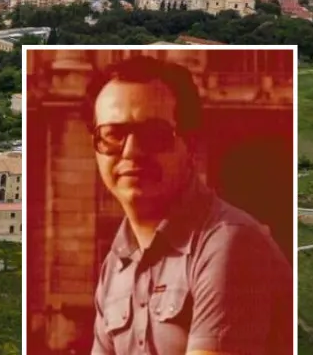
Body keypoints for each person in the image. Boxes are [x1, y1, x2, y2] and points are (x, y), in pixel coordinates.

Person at [87, 56, 291, 354]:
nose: (131, 152)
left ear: (191, 145)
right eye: (112, 135)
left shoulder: (231, 242)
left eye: (154, 134)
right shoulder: (116, 264)